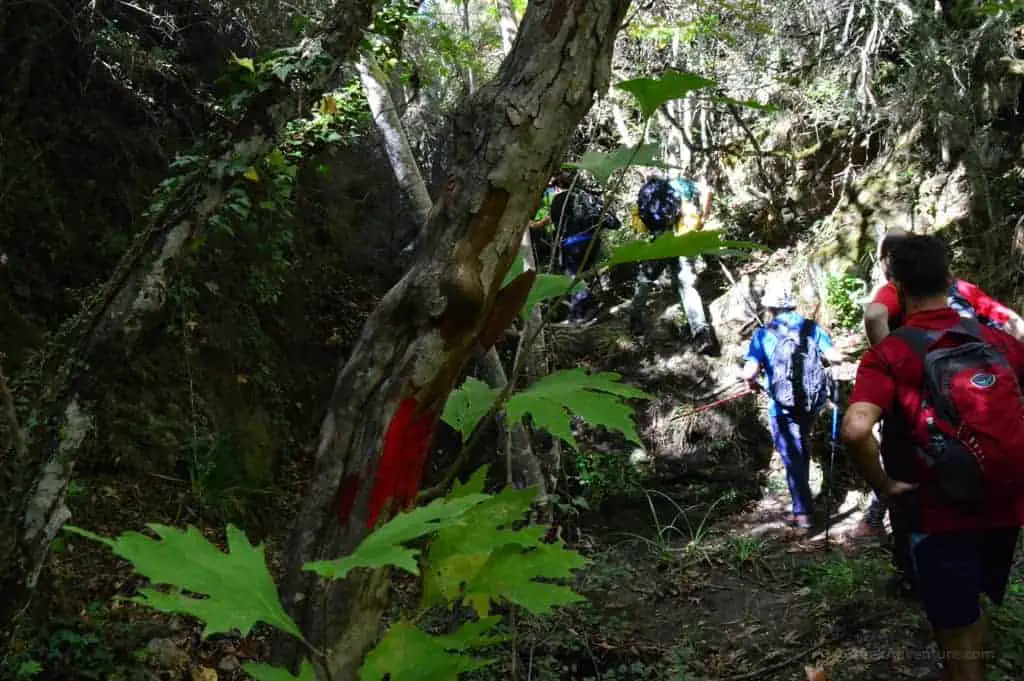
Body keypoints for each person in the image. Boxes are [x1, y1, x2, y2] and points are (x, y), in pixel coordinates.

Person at [842, 234, 1024, 681]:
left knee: (952, 622)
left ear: (896, 285)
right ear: (949, 278)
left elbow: (856, 429)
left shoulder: (892, 353)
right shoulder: (999, 343)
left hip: (937, 511)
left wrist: (883, 487)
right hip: (1006, 499)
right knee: (969, 607)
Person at [742, 279, 844, 530]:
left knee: (792, 454)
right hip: (811, 402)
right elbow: (835, 357)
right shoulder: (810, 327)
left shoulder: (763, 334)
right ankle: (803, 504)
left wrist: (753, 383)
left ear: (770, 307)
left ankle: (803, 514)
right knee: (800, 447)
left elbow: (748, 372)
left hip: (782, 406)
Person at [628, 174, 715, 353]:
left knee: (645, 279)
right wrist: (704, 217)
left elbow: (640, 225)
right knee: (687, 285)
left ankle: (635, 321)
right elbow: (708, 191)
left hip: (661, 241)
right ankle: (701, 333)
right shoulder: (682, 184)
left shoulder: (645, 194)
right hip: (684, 238)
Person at [531, 171, 620, 322]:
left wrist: (537, 227)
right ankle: (579, 312)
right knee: (581, 274)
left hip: (573, 243)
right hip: (593, 242)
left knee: (572, 277)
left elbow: (555, 220)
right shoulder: (588, 196)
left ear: (558, 187)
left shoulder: (560, 199)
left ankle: (586, 306)